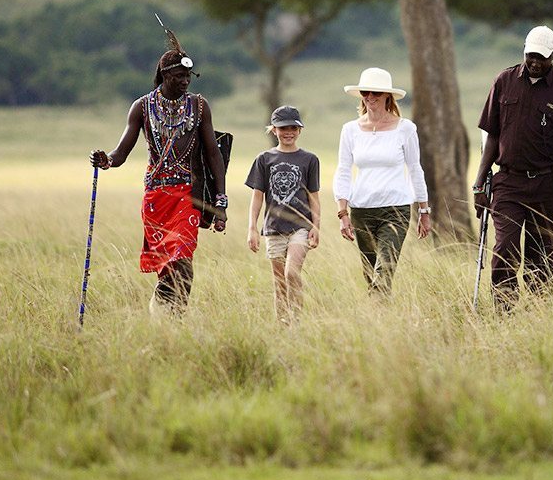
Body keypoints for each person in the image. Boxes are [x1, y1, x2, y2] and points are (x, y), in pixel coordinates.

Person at [90, 31, 227, 316]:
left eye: (188, 77)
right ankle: (163, 315)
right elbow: (121, 152)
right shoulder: (142, 107)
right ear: (164, 76)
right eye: (179, 77)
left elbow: (213, 153)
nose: (185, 82)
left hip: (188, 195)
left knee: (182, 257)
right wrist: (107, 161)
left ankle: (172, 317)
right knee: (167, 264)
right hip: (156, 197)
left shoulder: (199, 106)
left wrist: (220, 199)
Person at [472, 25, 553, 310]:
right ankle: (505, 313)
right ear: (524, 52)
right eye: (531, 56)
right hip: (508, 184)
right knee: (504, 250)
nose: (535, 62)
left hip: (548, 186)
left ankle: (539, 315)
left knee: (542, 257)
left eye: (542, 57)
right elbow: (492, 136)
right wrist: (478, 184)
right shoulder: (504, 81)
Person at [334, 67, 431, 295]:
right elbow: (343, 171)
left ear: (387, 96)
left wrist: (424, 210)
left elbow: (415, 169)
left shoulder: (405, 129)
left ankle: (379, 310)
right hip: (362, 211)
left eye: (375, 93)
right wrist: (342, 213)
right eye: (366, 92)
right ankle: (379, 321)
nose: (370, 97)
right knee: (370, 273)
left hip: (395, 210)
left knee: (384, 271)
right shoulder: (349, 130)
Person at [245, 105, 321, 321]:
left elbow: (314, 197)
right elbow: (257, 196)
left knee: (292, 273)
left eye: (293, 128)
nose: (288, 132)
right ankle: (283, 325)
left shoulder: (309, 160)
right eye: (283, 128)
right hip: (273, 229)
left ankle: (296, 320)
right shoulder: (264, 159)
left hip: (300, 227)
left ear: (299, 130)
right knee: (279, 283)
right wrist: (252, 228)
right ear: (274, 130)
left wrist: (316, 226)